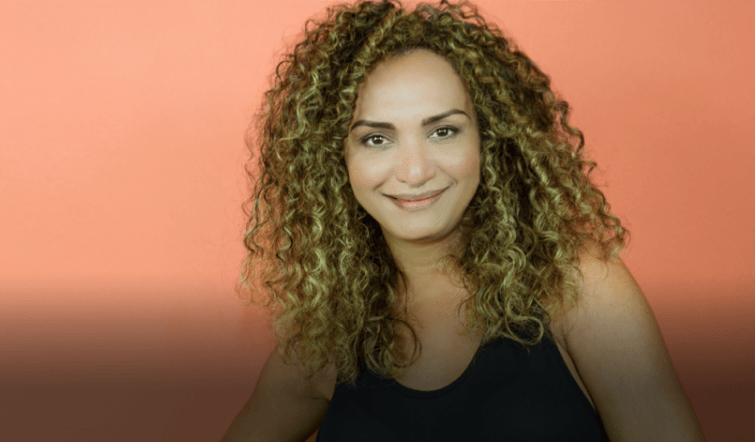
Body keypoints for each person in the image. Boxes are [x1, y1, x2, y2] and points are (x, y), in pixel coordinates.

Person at [222, 1, 706, 441]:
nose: (415, 171)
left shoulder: (580, 288)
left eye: (443, 131)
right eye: (376, 139)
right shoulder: (326, 337)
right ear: (336, 159)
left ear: (487, 140)